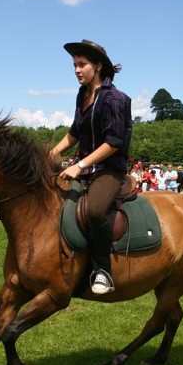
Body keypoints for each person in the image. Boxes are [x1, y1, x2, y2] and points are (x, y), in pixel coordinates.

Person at [49, 39, 132, 295]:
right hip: (84, 168)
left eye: (82, 64)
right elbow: (76, 131)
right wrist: (54, 151)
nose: (77, 70)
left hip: (109, 170)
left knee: (95, 210)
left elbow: (114, 142)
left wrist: (80, 165)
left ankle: (103, 271)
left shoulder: (115, 99)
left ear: (97, 66)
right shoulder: (83, 95)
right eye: (74, 65)